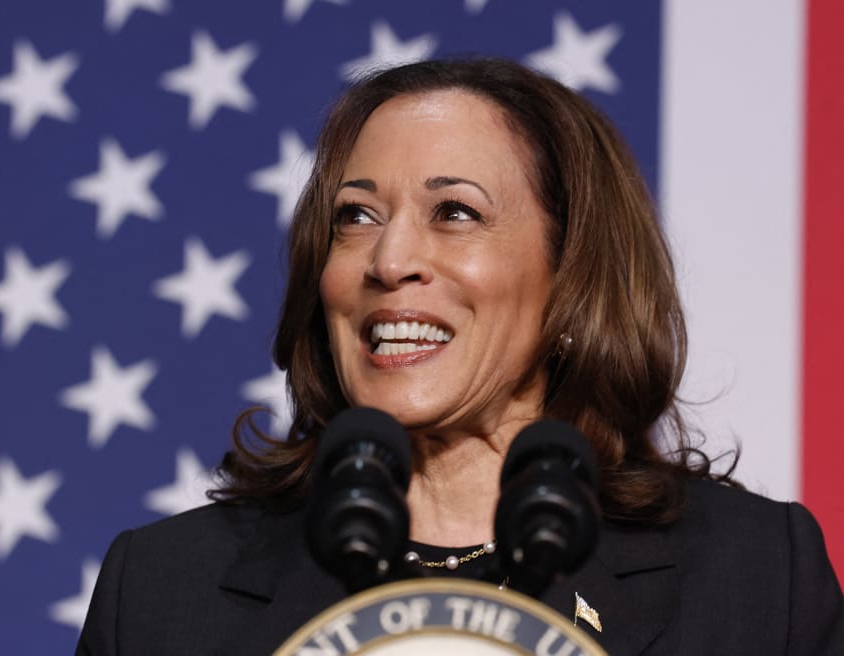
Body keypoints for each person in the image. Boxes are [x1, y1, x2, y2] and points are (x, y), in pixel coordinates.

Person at [76, 58, 843, 654]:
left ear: (570, 273)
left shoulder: (753, 580)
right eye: (356, 216)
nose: (391, 258)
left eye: (455, 212)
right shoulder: (163, 592)